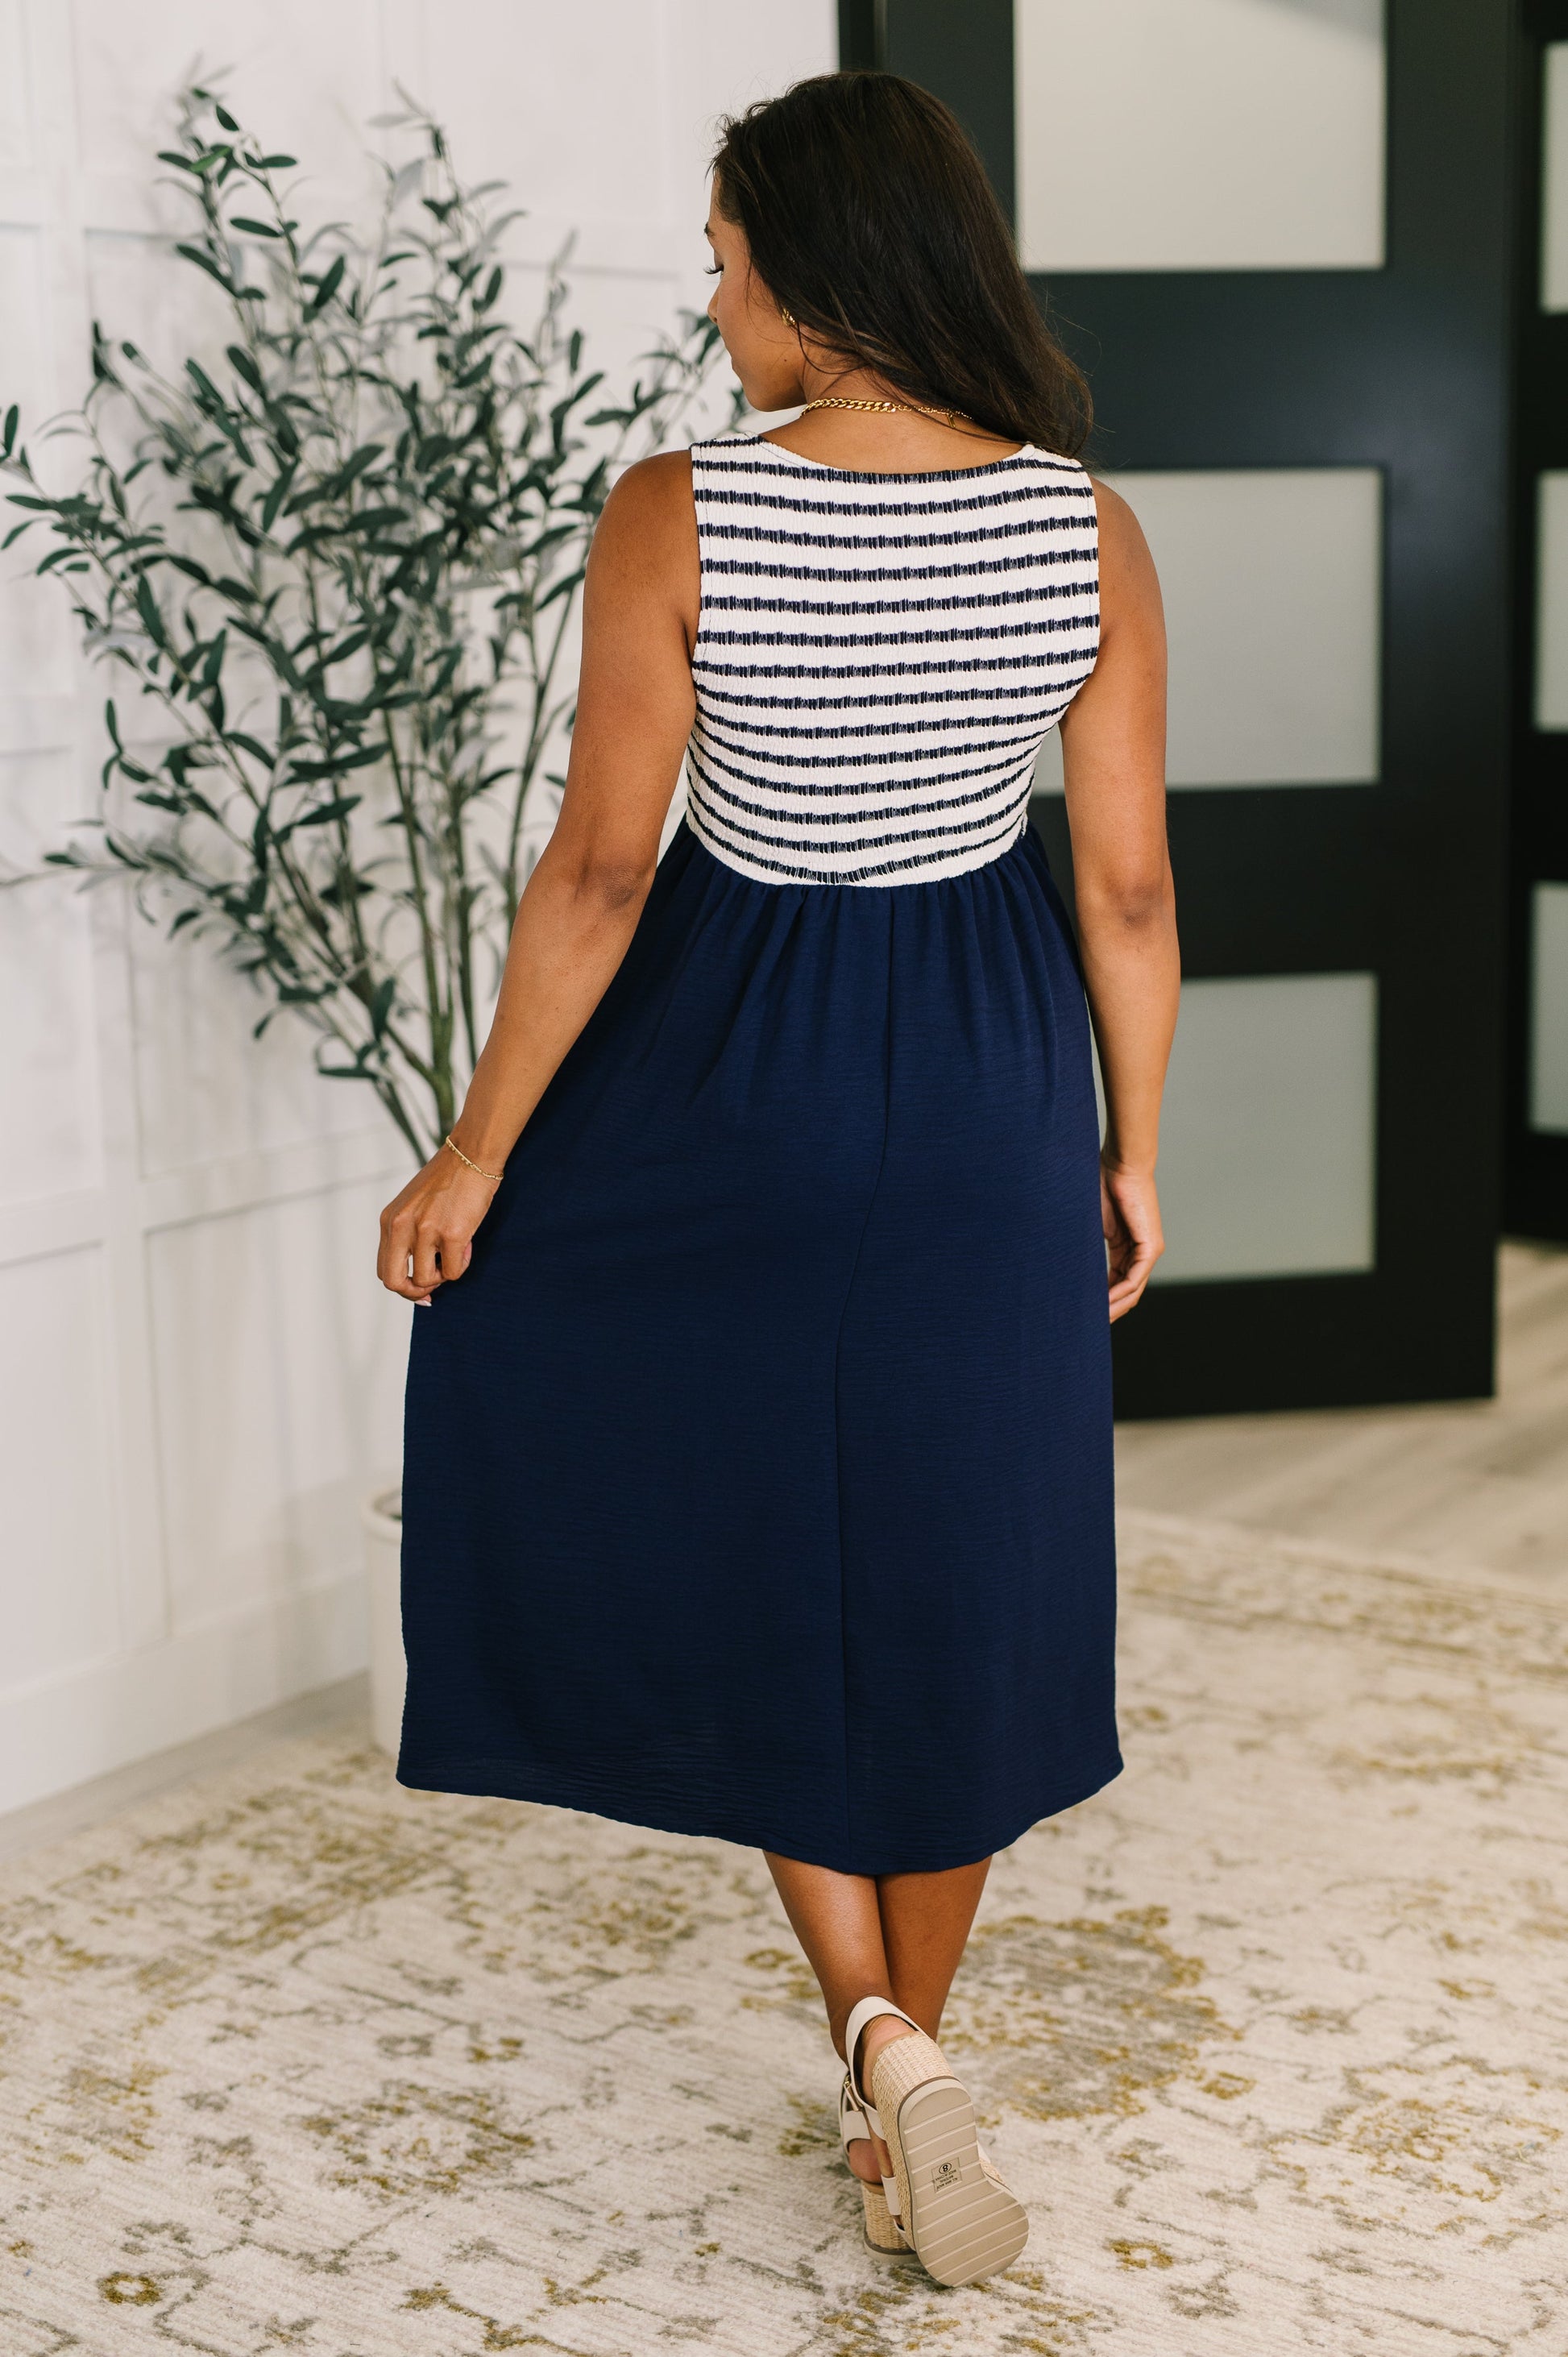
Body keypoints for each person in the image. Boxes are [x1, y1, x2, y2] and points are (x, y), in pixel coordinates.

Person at [377, 70, 1176, 2288]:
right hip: (989, 1071)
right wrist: (1129, 1147)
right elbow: (1124, 892)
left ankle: (872, 2041)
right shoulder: (1084, 527)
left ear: (816, 281)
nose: (714, 304)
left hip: (732, 1063)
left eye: (726, 265)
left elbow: (602, 870)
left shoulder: (680, 512)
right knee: (959, 1563)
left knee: (739, 1533)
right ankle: (915, 2062)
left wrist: (477, 1151)